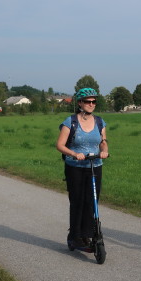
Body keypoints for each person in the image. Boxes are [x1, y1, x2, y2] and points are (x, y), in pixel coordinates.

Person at [56, 88, 109, 251]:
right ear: (80, 103)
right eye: (88, 101)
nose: (91, 104)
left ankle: (87, 234)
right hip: (75, 168)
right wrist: (74, 153)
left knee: (92, 202)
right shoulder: (70, 122)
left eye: (94, 101)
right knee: (77, 201)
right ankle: (75, 237)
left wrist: (104, 150)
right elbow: (59, 145)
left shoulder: (100, 122)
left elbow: (103, 141)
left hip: (94, 166)